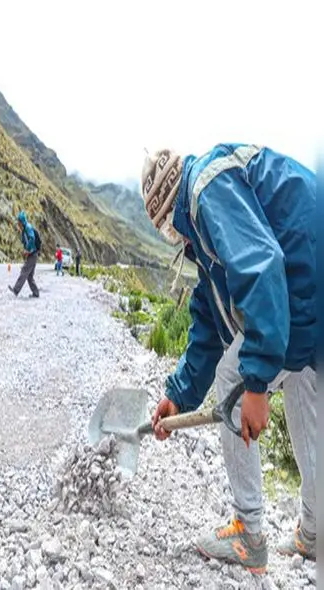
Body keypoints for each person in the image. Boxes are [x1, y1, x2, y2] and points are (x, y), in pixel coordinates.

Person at [142, 144, 316, 574]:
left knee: (233, 378)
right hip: (314, 284)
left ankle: (249, 533)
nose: (175, 238)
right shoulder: (212, 214)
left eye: (167, 229)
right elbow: (209, 320)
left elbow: (261, 266)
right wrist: (178, 395)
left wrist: (254, 384)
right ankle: (316, 532)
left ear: (167, 214)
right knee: (303, 387)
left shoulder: (205, 190)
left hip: (301, 286)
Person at [8, 211, 39, 298]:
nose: (17, 223)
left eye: (18, 221)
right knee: (29, 276)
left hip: (32, 254)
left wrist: (27, 250)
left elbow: (32, 238)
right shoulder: (24, 229)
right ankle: (36, 293)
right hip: (32, 254)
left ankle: (16, 290)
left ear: (21, 221)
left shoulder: (28, 228)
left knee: (24, 271)